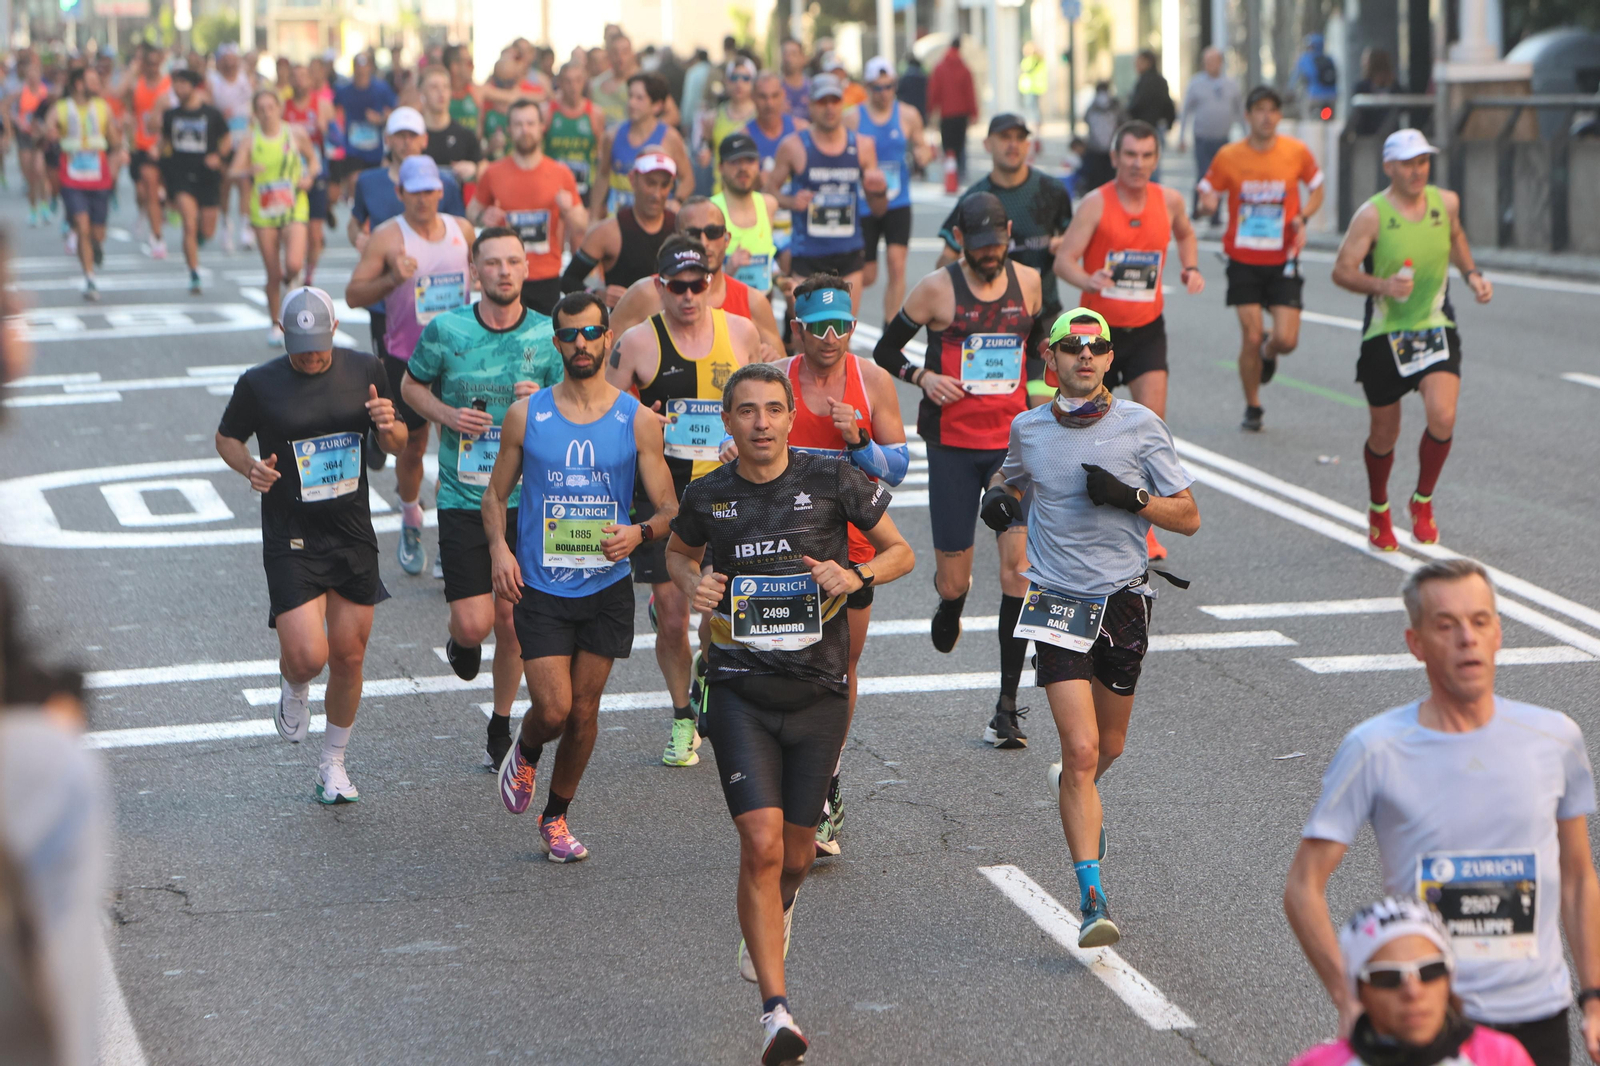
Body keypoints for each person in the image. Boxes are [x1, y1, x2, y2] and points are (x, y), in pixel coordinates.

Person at [667, 361, 914, 1065]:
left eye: (774, 409)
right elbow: (678, 552)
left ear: (787, 417)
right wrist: (695, 582)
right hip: (741, 687)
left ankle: (776, 912)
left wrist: (855, 573)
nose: (763, 423)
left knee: (798, 856)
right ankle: (776, 1012)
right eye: (747, 411)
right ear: (729, 421)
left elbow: (903, 552)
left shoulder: (831, 480)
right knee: (762, 845)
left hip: (819, 691)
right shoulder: (709, 494)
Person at [1284, 558, 1600, 1066]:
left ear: (1499, 633)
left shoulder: (1555, 738)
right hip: (1425, 1020)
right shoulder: (1375, 748)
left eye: (1479, 621)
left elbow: (1579, 876)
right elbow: (1303, 886)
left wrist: (1594, 998)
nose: (1466, 639)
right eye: (1446, 626)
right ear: (1416, 644)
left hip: (1539, 1012)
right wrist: (1349, 997)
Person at [983, 305, 1198, 946]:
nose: (1084, 355)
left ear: (1109, 359)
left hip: (1124, 602)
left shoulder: (1141, 426)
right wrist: (1000, 498)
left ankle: (1080, 789)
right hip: (1054, 598)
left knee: (1110, 749)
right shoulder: (1029, 428)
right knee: (1078, 753)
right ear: (1049, 359)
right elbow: (1010, 476)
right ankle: (1091, 894)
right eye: (1071, 346)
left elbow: (1187, 517)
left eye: (1096, 346)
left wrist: (1132, 498)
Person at [484, 290, 677, 862]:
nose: (582, 344)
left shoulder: (637, 420)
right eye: (569, 335)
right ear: (557, 343)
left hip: (605, 587)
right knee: (554, 709)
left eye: (592, 333)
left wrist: (638, 534)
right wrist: (499, 550)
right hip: (540, 586)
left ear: (608, 337)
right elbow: (494, 498)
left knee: (586, 713)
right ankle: (525, 748)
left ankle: (556, 817)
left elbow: (670, 509)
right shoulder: (528, 414)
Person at [215, 287, 407, 804]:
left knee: (349, 656)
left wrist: (389, 429)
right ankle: (294, 686)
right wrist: (249, 467)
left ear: (334, 331)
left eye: (318, 345)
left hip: (350, 530)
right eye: (299, 346)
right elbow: (227, 437)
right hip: (290, 532)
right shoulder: (258, 383)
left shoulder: (365, 367)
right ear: (283, 335)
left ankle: (333, 763)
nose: (310, 355)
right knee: (306, 656)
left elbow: (395, 442)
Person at [873, 193, 1044, 747]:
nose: (990, 255)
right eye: (980, 246)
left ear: (1009, 234)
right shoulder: (936, 289)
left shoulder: (1030, 282)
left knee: (1017, 571)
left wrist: (1046, 394)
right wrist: (923, 378)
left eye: (998, 244)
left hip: (1012, 448)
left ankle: (1007, 706)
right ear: (961, 242)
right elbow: (884, 351)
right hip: (951, 445)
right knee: (955, 577)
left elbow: (1040, 345)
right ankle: (951, 601)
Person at [401, 226, 562, 770]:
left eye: (513, 261)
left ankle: (500, 724)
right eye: (492, 263)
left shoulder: (547, 335)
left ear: (525, 268)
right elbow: (410, 386)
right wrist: (446, 415)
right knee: (474, 624)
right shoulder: (445, 330)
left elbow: (574, 401)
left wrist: (543, 401)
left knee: (512, 620)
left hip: (527, 500)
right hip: (464, 494)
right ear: (474, 271)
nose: (503, 271)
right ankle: (462, 644)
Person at [606, 237, 762, 768]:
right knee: (672, 615)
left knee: (718, 614)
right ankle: (681, 717)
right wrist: (637, 416)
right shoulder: (636, 342)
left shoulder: (740, 333)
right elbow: (602, 412)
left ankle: (707, 674)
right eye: (678, 287)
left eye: (699, 285)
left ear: (712, 283)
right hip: (665, 498)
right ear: (660, 287)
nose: (690, 296)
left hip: (730, 492)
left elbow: (769, 405)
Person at [781, 274, 910, 856]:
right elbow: (738, 437)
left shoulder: (873, 380)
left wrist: (859, 443)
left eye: (840, 326)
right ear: (798, 328)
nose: (829, 337)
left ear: (853, 328)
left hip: (853, 546)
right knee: (779, 657)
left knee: (840, 665)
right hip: (781, 541)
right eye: (818, 327)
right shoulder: (774, 379)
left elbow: (898, 466)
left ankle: (824, 784)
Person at [1330, 129, 1491, 551]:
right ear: (1389, 167)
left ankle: (1422, 502)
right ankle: (1379, 508)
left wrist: (1471, 274)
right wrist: (1382, 285)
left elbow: (1455, 235)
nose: (1417, 171)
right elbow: (1342, 270)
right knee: (1385, 433)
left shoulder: (1446, 202)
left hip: (1435, 325)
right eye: (1407, 163)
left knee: (1443, 415)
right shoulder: (1372, 215)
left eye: (1422, 161)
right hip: (1386, 332)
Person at [1051, 119, 1204, 563]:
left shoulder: (1169, 199)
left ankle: (1148, 527)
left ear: (1157, 159)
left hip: (1147, 329)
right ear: (1115, 157)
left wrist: (1190, 267)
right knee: (1088, 427)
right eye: (1130, 155)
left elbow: (1186, 232)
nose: (1138, 164)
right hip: (1096, 337)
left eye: (1147, 156)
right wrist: (1089, 278)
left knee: (1150, 430)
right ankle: (1072, 515)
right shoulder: (1096, 204)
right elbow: (1064, 261)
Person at [346, 155, 476, 577]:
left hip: (459, 357)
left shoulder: (464, 231)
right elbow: (352, 295)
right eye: (414, 191)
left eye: (430, 189)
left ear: (441, 190)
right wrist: (390, 280)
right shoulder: (387, 237)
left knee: (458, 449)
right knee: (412, 447)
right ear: (400, 193)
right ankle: (410, 518)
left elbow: (490, 275)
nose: (423, 198)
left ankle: (449, 534)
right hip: (407, 358)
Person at [1199, 85, 1325, 431]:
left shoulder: (1296, 152)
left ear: (1279, 116)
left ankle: (1269, 354)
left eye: (1273, 109)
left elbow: (1317, 188)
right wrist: (1206, 204)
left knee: (1286, 340)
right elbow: (1207, 191)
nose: (1266, 116)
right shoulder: (1229, 156)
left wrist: (1304, 217)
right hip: (1242, 258)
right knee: (1251, 337)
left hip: (1283, 257)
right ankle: (1253, 406)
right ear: (1248, 115)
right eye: (1259, 110)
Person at [1291, 898, 1537, 1066]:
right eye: (1387, 976)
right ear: (1357, 990)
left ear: (1449, 979)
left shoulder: (1501, 1057)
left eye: (1430, 971)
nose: (1412, 990)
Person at [938, 113, 1074, 369]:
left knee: (1042, 404)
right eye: (1005, 137)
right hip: (988, 320)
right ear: (987, 144)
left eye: (1020, 138)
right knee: (998, 404)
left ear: (1028, 145)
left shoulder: (1052, 191)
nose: (1013, 144)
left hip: (1042, 315)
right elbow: (946, 257)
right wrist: (955, 265)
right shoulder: (975, 198)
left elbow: (1076, 240)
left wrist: (1065, 243)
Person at [767, 74, 890, 319]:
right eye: (823, 102)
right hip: (807, 256)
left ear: (842, 104)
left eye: (835, 101)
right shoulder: (793, 146)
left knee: (843, 336)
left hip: (849, 255)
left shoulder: (863, 146)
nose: (830, 108)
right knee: (807, 337)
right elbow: (770, 191)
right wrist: (792, 201)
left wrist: (879, 191)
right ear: (811, 106)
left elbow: (878, 210)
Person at [609, 195, 784, 358]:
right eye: (693, 234)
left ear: (727, 238)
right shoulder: (645, 294)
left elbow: (785, 375)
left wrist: (773, 363)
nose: (703, 242)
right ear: (677, 239)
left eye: (713, 232)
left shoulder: (753, 302)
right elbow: (604, 356)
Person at [468, 99, 588, 315]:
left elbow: (581, 225)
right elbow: (472, 210)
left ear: (542, 127)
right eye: (518, 124)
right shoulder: (493, 173)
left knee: (544, 343)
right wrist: (483, 215)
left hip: (546, 276)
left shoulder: (561, 173)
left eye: (531, 124)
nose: (525, 130)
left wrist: (569, 209)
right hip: (504, 276)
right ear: (509, 130)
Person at [846, 56, 933, 322]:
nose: (883, 93)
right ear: (867, 87)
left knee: (897, 266)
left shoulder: (907, 115)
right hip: (864, 203)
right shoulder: (852, 117)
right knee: (867, 275)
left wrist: (923, 154)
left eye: (888, 86)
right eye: (877, 87)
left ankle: (888, 329)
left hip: (897, 201)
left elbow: (922, 145)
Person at [231, 89, 321, 347]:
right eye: (262, 108)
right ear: (256, 113)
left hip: (294, 207)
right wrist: (248, 169)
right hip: (265, 212)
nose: (267, 112)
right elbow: (232, 170)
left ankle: (289, 284)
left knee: (293, 265)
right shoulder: (251, 139)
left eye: (271, 106)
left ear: (279, 108)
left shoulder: (295, 133)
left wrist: (309, 177)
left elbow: (314, 160)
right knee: (273, 272)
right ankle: (275, 322)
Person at [42, 67, 120, 302]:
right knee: (81, 227)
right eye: (92, 81)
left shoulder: (103, 107)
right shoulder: (61, 108)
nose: (97, 85)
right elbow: (49, 129)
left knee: (97, 233)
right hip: (72, 178)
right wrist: (51, 134)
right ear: (78, 84)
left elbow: (115, 141)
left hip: (99, 178)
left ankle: (96, 247)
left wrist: (120, 138)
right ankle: (89, 278)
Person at [564, 148, 679, 306]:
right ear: (633, 179)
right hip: (624, 327)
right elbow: (568, 281)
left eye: (664, 185)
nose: (657, 194)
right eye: (651, 183)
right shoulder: (608, 232)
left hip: (670, 326)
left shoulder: (679, 227)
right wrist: (596, 295)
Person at [159, 68, 230, 296]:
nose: (178, 89)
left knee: (207, 229)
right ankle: (194, 273)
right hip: (181, 175)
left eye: (183, 84)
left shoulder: (211, 114)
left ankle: (198, 239)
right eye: (175, 85)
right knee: (189, 224)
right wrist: (158, 156)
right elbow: (165, 143)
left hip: (207, 176)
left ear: (193, 86)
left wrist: (218, 156)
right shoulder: (170, 115)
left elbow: (227, 140)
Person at [592, 72, 694, 220]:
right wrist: (593, 217)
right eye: (630, 96)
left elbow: (688, 179)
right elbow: (602, 175)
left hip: (656, 220)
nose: (632, 103)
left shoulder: (670, 138)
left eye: (639, 98)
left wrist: (677, 201)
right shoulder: (612, 135)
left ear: (657, 106)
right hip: (619, 220)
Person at [282, 63, 336, 286]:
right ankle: (293, 266)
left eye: (303, 75)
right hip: (289, 176)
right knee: (292, 229)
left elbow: (336, 141)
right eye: (294, 76)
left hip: (317, 173)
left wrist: (327, 130)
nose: (299, 80)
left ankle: (309, 273)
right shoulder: (282, 107)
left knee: (315, 234)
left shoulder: (321, 105)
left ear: (311, 80)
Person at [747, 73, 805, 271]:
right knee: (763, 291)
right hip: (759, 223)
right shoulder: (743, 138)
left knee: (796, 287)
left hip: (795, 222)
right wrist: (754, 181)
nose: (769, 103)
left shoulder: (801, 130)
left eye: (774, 96)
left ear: (783, 97)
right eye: (763, 97)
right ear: (753, 98)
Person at [1178, 47, 1240, 224]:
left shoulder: (1231, 84)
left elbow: (1240, 110)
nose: (1209, 65)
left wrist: (1246, 135)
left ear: (1220, 62)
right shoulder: (1196, 83)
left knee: (1221, 178)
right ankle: (1198, 210)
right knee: (1203, 175)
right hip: (1203, 138)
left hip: (1223, 139)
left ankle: (1215, 215)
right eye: (1206, 62)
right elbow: (1186, 111)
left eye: (1213, 61)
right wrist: (1182, 136)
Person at [207, 44, 256, 252]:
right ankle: (226, 224)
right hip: (223, 139)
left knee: (245, 183)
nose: (229, 62)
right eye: (225, 59)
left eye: (232, 58)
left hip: (244, 139)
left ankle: (246, 226)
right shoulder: (213, 82)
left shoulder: (247, 80)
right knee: (225, 185)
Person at [126, 43, 172, 260]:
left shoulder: (169, 85)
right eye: (148, 63)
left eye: (156, 63)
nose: (152, 67)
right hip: (142, 146)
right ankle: (157, 236)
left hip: (167, 147)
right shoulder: (136, 84)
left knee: (160, 191)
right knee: (147, 190)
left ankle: (161, 216)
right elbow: (119, 97)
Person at [333, 53, 397, 200]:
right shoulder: (344, 91)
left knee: (374, 187)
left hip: (375, 150)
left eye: (364, 69)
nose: (361, 73)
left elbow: (394, 111)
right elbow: (334, 111)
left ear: (370, 68)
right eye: (358, 69)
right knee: (355, 181)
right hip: (353, 150)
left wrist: (380, 119)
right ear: (353, 69)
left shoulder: (381, 89)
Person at [544, 61, 605, 205]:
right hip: (553, 184)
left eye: (578, 81)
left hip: (584, 186)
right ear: (559, 83)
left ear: (584, 82)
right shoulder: (547, 111)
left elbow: (601, 154)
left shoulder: (595, 113)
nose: (573, 87)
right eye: (568, 81)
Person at [420, 66, 482, 197]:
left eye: (446, 87)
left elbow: (484, 170)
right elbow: (390, 169)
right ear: (422, 93)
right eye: (434, 87)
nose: (441, 92)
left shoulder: (465, 135)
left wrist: (474, 171)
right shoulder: (411, 136)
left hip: (455, 210)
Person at [701, 57, 758, 194]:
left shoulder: (761, 116)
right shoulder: (713, 117)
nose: (739, 83)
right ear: (726, 82)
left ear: (753, 82)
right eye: (734, 77)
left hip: (752, 192)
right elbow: (703, 160)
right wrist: (706, 143)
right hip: (721, 192)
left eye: (745, 78)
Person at [926, 37, 977, 180]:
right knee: (960, 144)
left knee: (948, 145)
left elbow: (934, 91)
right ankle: (960, 171)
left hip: (946, 114)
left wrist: (931, 110)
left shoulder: (940, 67)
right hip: (961, 114)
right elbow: (970, 92)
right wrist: (973, 113)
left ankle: (950, 173)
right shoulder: (964, 68)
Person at [14, 54, 51, 227]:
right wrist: (16, 121)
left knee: (40, 171)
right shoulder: (20, 91)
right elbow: (5, 107)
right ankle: (33, 210)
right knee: (30, 177)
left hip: (40, 138)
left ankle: (44, 206)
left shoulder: (46, 92)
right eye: (29, 74)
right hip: (24, 137)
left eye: (35, 73)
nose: (32, 77)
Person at [1125, 49, 1175, 177]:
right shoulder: (1159, 81)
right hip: (1155, 127)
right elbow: (1169, 106)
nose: (1136, 65)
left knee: (1146, 166)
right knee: (1152, 164)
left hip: (1144, 129)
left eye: (1139, 62)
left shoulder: (1145, 82)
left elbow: (1135, 105)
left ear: (1147, 62)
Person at [589, 32, 640, 128]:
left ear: (632, 54)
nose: (620, 58)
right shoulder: (595, 85)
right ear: (608, 56)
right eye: (615, 53)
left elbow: (672, 114)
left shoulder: (644, 82)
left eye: (625, 52)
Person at [1080, 82, 1123, 190]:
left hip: (1096, 150)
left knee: (1096, 181)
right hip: (1109, 149)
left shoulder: (1092, 106)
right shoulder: (1116, 106)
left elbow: (1085, 119)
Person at [1352, 48, 1399, 137]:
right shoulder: (1362, 87)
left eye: (1365, 60)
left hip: (1374, 134)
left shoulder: (1395, 87)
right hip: (1368, 135)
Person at [1294, 33, 1338, 119]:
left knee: (1310, 119)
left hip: (1314, 97)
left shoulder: (1305, 59)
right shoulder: (1329, 59)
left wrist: (1291, 90)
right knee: (1330, 122)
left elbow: (1296, 77)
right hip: (1332, 97)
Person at [779, 38, 811, 121]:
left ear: (803, 58)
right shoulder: (774, 89)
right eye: (785, 54)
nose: (788, 58)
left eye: (794, 54)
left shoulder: (812, 88)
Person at [1018, 44, 1047, 131]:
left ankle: (1036, 122)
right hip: (1036, 87)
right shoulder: (1040, 59)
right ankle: (1037, 122)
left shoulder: (1032, 60)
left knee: (1032, 107)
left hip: (1031, 87)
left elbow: (1025, 70)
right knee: (1035, 106)